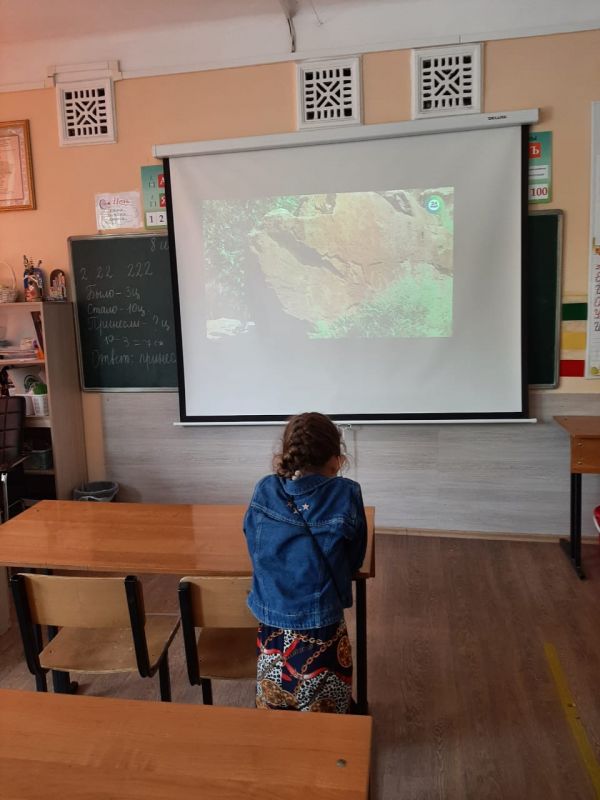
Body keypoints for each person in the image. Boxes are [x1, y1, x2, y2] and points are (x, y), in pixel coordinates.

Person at [243, 411, 367, 713]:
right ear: (336, 459)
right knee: (326, 715)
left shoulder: (265, 489)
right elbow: (355, 559)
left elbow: (252, 543)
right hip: (321, 628)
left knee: (275, 707)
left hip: (272, 625)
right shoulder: (345, 494)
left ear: (287, 453)